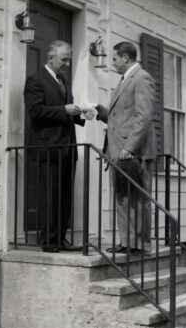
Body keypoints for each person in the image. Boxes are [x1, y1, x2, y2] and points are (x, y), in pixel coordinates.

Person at [95, 41, 156, 256]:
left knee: (138, 199)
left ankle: (141, 245)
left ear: (125, 58)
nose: (113, 63)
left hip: (133, 152)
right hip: (118, 150)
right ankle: (128, 242)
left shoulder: (141, 78)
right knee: (122, 196)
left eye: (115, 59)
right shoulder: (124, 80)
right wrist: (100, 113)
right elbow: (123, 116)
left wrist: (129, 147)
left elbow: (143, 116)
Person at [24, 40, 85, 252]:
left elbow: (65, 111)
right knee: (50, 197)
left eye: (69, 59)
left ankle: (60, 238)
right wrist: (64, 110)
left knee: (64, 197)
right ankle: (48, 241)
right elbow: (36, 111)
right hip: (47, 149)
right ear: (50, 58)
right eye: (63, 59)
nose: (67, 63)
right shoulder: (36, 80)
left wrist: (81, 114)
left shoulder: (64, 82)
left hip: (68, 148)